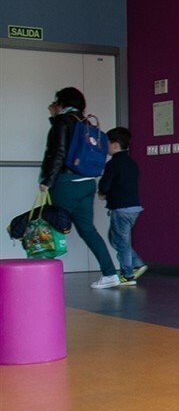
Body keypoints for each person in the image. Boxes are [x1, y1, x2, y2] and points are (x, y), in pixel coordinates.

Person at [38, 87, 120, 288]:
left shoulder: (62, 122)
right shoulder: (87, 124)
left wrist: (47, 180)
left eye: (56, 102)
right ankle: (110, 273)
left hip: (67, 183)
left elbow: (58, 152)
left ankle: (41, 279)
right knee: (87, 229)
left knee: (49, 228)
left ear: (61, 103)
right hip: (87, 183)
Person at [98, 126, 146, 285]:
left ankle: (128, 274)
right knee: (115, 239)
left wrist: (102, 193)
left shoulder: (113, 164)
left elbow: (105, 185)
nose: (105, 147)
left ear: (115, 145)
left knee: (121, 242)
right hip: (134, 208)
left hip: (121, 209)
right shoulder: (132, 163)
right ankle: (137, 263)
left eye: (106, 143)